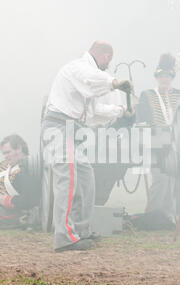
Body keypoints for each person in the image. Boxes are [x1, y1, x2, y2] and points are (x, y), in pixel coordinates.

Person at [41, 40, 132, 252]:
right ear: (106, 56)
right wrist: (115, 82)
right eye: (109, 60)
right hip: (59, 126)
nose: (108, 65)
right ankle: (64, 237)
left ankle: (81, 231)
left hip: (72, 130)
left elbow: (93, 112)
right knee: (68, 181)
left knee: (85, 178)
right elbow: (92, 79)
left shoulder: (86, 81)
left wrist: (121, 110)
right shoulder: (78, 68)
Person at [133, 53, 180, 230]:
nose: (164, 80)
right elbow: (143, 119)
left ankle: (171, 216)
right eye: (161, 76)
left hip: (178, 145)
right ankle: (153, 215)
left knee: (176, 181)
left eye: (167, 76)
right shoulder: (147, 95)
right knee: (161, 180)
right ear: (156, 78)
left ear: (172, 78)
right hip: (157, 143)